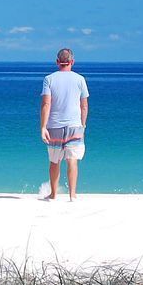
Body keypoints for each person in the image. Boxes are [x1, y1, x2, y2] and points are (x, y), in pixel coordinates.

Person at [39, 48, 89, 201]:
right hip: (75, 125)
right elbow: (84, 106)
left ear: (57, 62)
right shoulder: (80, 79)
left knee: (55, 161)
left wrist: (43, 127)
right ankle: (72, 195)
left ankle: (54, 194)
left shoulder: (49, 79)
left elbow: (46, 104)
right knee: (72, 160)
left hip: (54, 125)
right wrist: (83, 125)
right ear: (72, 62)